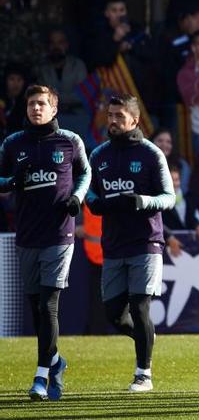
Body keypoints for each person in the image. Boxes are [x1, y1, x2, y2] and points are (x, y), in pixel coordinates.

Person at [0, 85, 90, 400]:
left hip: (59, 234)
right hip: (26, 235)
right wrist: (12, 182)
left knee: (48, 305)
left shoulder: (70, 141)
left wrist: (77, 198)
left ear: (54, 108)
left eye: (41, 103)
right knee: (35, 308)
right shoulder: (13, 143)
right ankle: (56, 362)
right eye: (31, 104)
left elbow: (85, 173)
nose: (36, 108)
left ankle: (41, 377)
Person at [85, 94, 175, 392]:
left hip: (146, 242)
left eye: (119, 116)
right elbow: (89, 191)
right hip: (113, 244)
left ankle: (143, 374)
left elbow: (169, 197)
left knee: (139, 307)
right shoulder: (99, 155)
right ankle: (146, 337)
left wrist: (143, 201)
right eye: (110, 115)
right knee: (114, 315)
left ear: (135, 120)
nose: (112, 121)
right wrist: (94, 203)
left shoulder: (151, 154)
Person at [36, 29, 89, 137]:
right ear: (48, 46)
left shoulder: (78, 65)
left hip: (78, 118)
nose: (56, 47)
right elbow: (44, 98)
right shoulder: (42, 69)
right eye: (53, 43)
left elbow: (82, 96)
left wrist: (56, 97)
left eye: (60, 42)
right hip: (52, 120)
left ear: (66, 45)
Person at [150, 128, 191, 196]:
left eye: (168, 142)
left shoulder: (182, 165)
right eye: (160, 141)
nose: (164, 145)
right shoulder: (142, 162)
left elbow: (183, 190)